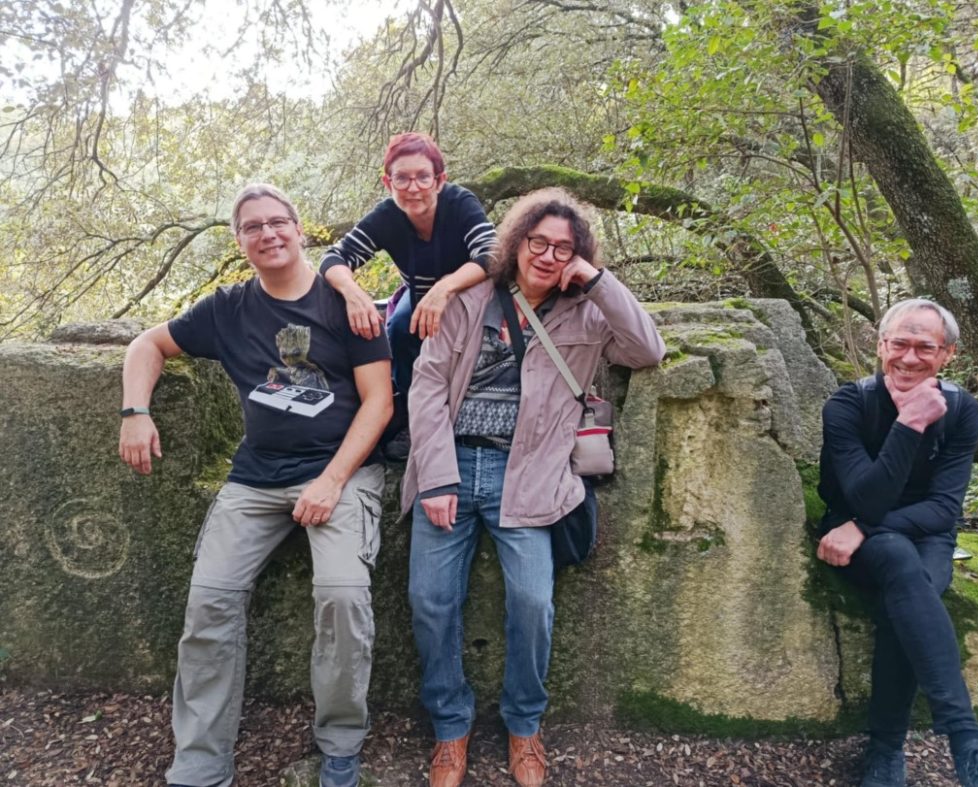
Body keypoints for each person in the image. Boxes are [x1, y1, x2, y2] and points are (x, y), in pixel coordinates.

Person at [118, 184, 393, 787]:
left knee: (343, 597)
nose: (267, 234)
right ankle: (200, 761)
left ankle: (340, 744)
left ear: (300, 229)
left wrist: (331, 482)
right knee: (208, 602)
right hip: (256, 478)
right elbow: (147, 344)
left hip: (342, 473)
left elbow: (379, 402)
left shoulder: (346, 302)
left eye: (277, 222)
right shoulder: (227, 309)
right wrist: (135, 412)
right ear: (240, 242)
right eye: (252, 227)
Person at [401, 188, 665, 787]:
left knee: (532, 603)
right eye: (538, 242)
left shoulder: (587, 313)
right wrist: (436, 476)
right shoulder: (469, 300)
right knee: (431, 601)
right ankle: (450, 727)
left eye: (563, 248)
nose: (547, 255)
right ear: (517, 243)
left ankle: (524, 725)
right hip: (450, 467)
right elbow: (427, 387)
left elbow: (647, 349)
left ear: (578, 255)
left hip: (530, 476)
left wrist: (595, 280)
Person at [816, 298, 978, 787]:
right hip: (857, 529)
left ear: (948, 355)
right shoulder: (848, 405)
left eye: (925, 347)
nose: (909, 357)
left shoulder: (961, 410)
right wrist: (910, 422)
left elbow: (944, 509)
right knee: (901, 563)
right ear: (881, 346)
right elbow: (864, 497)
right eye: (899, 343)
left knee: (907, 588)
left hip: (918, 533)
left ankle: (886, 752)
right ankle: (967, 743)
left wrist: (863, 527)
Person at [319, 132, 497, 458]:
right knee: (401, 328)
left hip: (470, 296)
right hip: (418, 298)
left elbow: (492, 254)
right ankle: (413, 416)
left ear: (439, 180)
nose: (413, 187)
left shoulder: (460, 203)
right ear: (388, 183)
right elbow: (334, 258)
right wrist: (353, 293)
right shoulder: (387, 216)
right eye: (402, 178)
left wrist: (445, 288)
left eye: (423, 177)